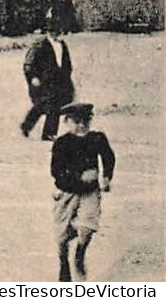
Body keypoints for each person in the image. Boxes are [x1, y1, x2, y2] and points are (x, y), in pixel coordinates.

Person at [51, 103, 115, 281]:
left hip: (89, 192)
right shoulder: (62, 143)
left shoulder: (97, 138)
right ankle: (63, 262)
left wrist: (106, 176)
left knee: (88, 225)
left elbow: (108, 157)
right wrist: (79, 177)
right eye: (76, 121)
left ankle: (80, 252)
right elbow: (56, 172)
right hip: (66, 191)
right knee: (61, 234)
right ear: (67, 122)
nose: (81, 126)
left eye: (85, 121)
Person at [22, 23, 75, 141]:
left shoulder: (62, 44)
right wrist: (33, 77)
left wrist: (67, 75)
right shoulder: (40, 45)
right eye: (55, 31)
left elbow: (66, 62)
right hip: (44, 81)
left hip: (59, 81)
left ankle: (28, 126)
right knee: (48, 105)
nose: (58, 34)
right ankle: (46, 133)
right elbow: (29, 64)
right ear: (49, 32)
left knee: (48, 105)